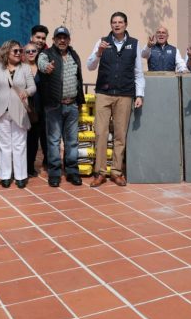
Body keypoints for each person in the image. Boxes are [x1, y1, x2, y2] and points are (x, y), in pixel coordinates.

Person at [87, 12, 145, 187]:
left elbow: (138, 73)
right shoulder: (102, 42)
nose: (117, 25)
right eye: (114, 22)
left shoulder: (134, 44)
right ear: (110, 24)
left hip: (125, 95)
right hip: (104, 94)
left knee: (120, 135)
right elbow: (90, 66)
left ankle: (117, 171)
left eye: (120, 22)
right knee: (100, 133)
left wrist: (139, 94)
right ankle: (100, 172)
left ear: (126, 24)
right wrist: (99, 52)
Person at [39, 26, 85, 187]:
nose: (62, 40)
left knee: (72, 141)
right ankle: (55, 173)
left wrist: (80, 101)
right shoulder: (46, 54)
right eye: (59, 38)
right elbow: (41, 63)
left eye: (65, 37)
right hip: (54, 106)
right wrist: (46, 67)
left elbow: (79, 78)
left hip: (72, 105)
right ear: (54, 40)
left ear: (69, 40)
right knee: (53, 141)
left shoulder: (73, 54)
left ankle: (72, 171)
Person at [0, 40, 36, 188]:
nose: (19, 53)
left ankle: (20, 176)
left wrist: (26, 92)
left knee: (19, 144)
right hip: (1, 111)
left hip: (19, 111)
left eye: (20, 51)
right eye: (15, 51)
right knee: (4, 145)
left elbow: (32, 87)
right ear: (6, 52)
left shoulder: (25, 68)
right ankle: (5, 176)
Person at [24, 42, 47, 176]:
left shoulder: (42, 68)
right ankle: (26, 166)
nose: (31, 53)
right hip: (25, 108)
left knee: (38, 139)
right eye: (28, 51)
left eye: (34, 51)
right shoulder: (20, 68)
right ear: (24, 54)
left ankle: (34, 166)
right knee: (26, 140)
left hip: (41, 108)